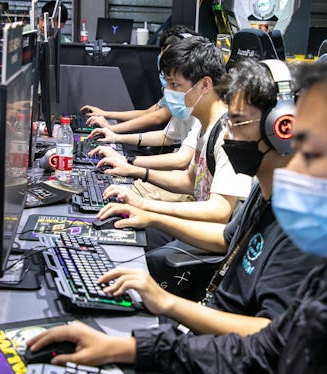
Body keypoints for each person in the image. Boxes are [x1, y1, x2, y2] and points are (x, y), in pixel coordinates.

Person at [28, 21, 327, 374]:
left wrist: (164, 308)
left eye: (315, 154)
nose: (296, 170)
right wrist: (132, 349)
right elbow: (265, 353)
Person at [89, 58, 320, 336]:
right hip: (209, 324)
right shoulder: (264, 190)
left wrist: (167, 302)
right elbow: (225, 239)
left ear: (282, 128)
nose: (226, 134)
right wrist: (152, 218)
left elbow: (272, 332)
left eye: (236, 121)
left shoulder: (303, 224)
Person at [99, 37, 251, 246]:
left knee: (119, 234)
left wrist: (145, 206)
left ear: (205, 85)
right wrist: (138, 172)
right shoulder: (203, 124)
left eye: (175, 85)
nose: (168, 92)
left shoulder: (229, 133)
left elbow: (219, 211)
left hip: (211, 239)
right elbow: (190, 182)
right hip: (195, 225)